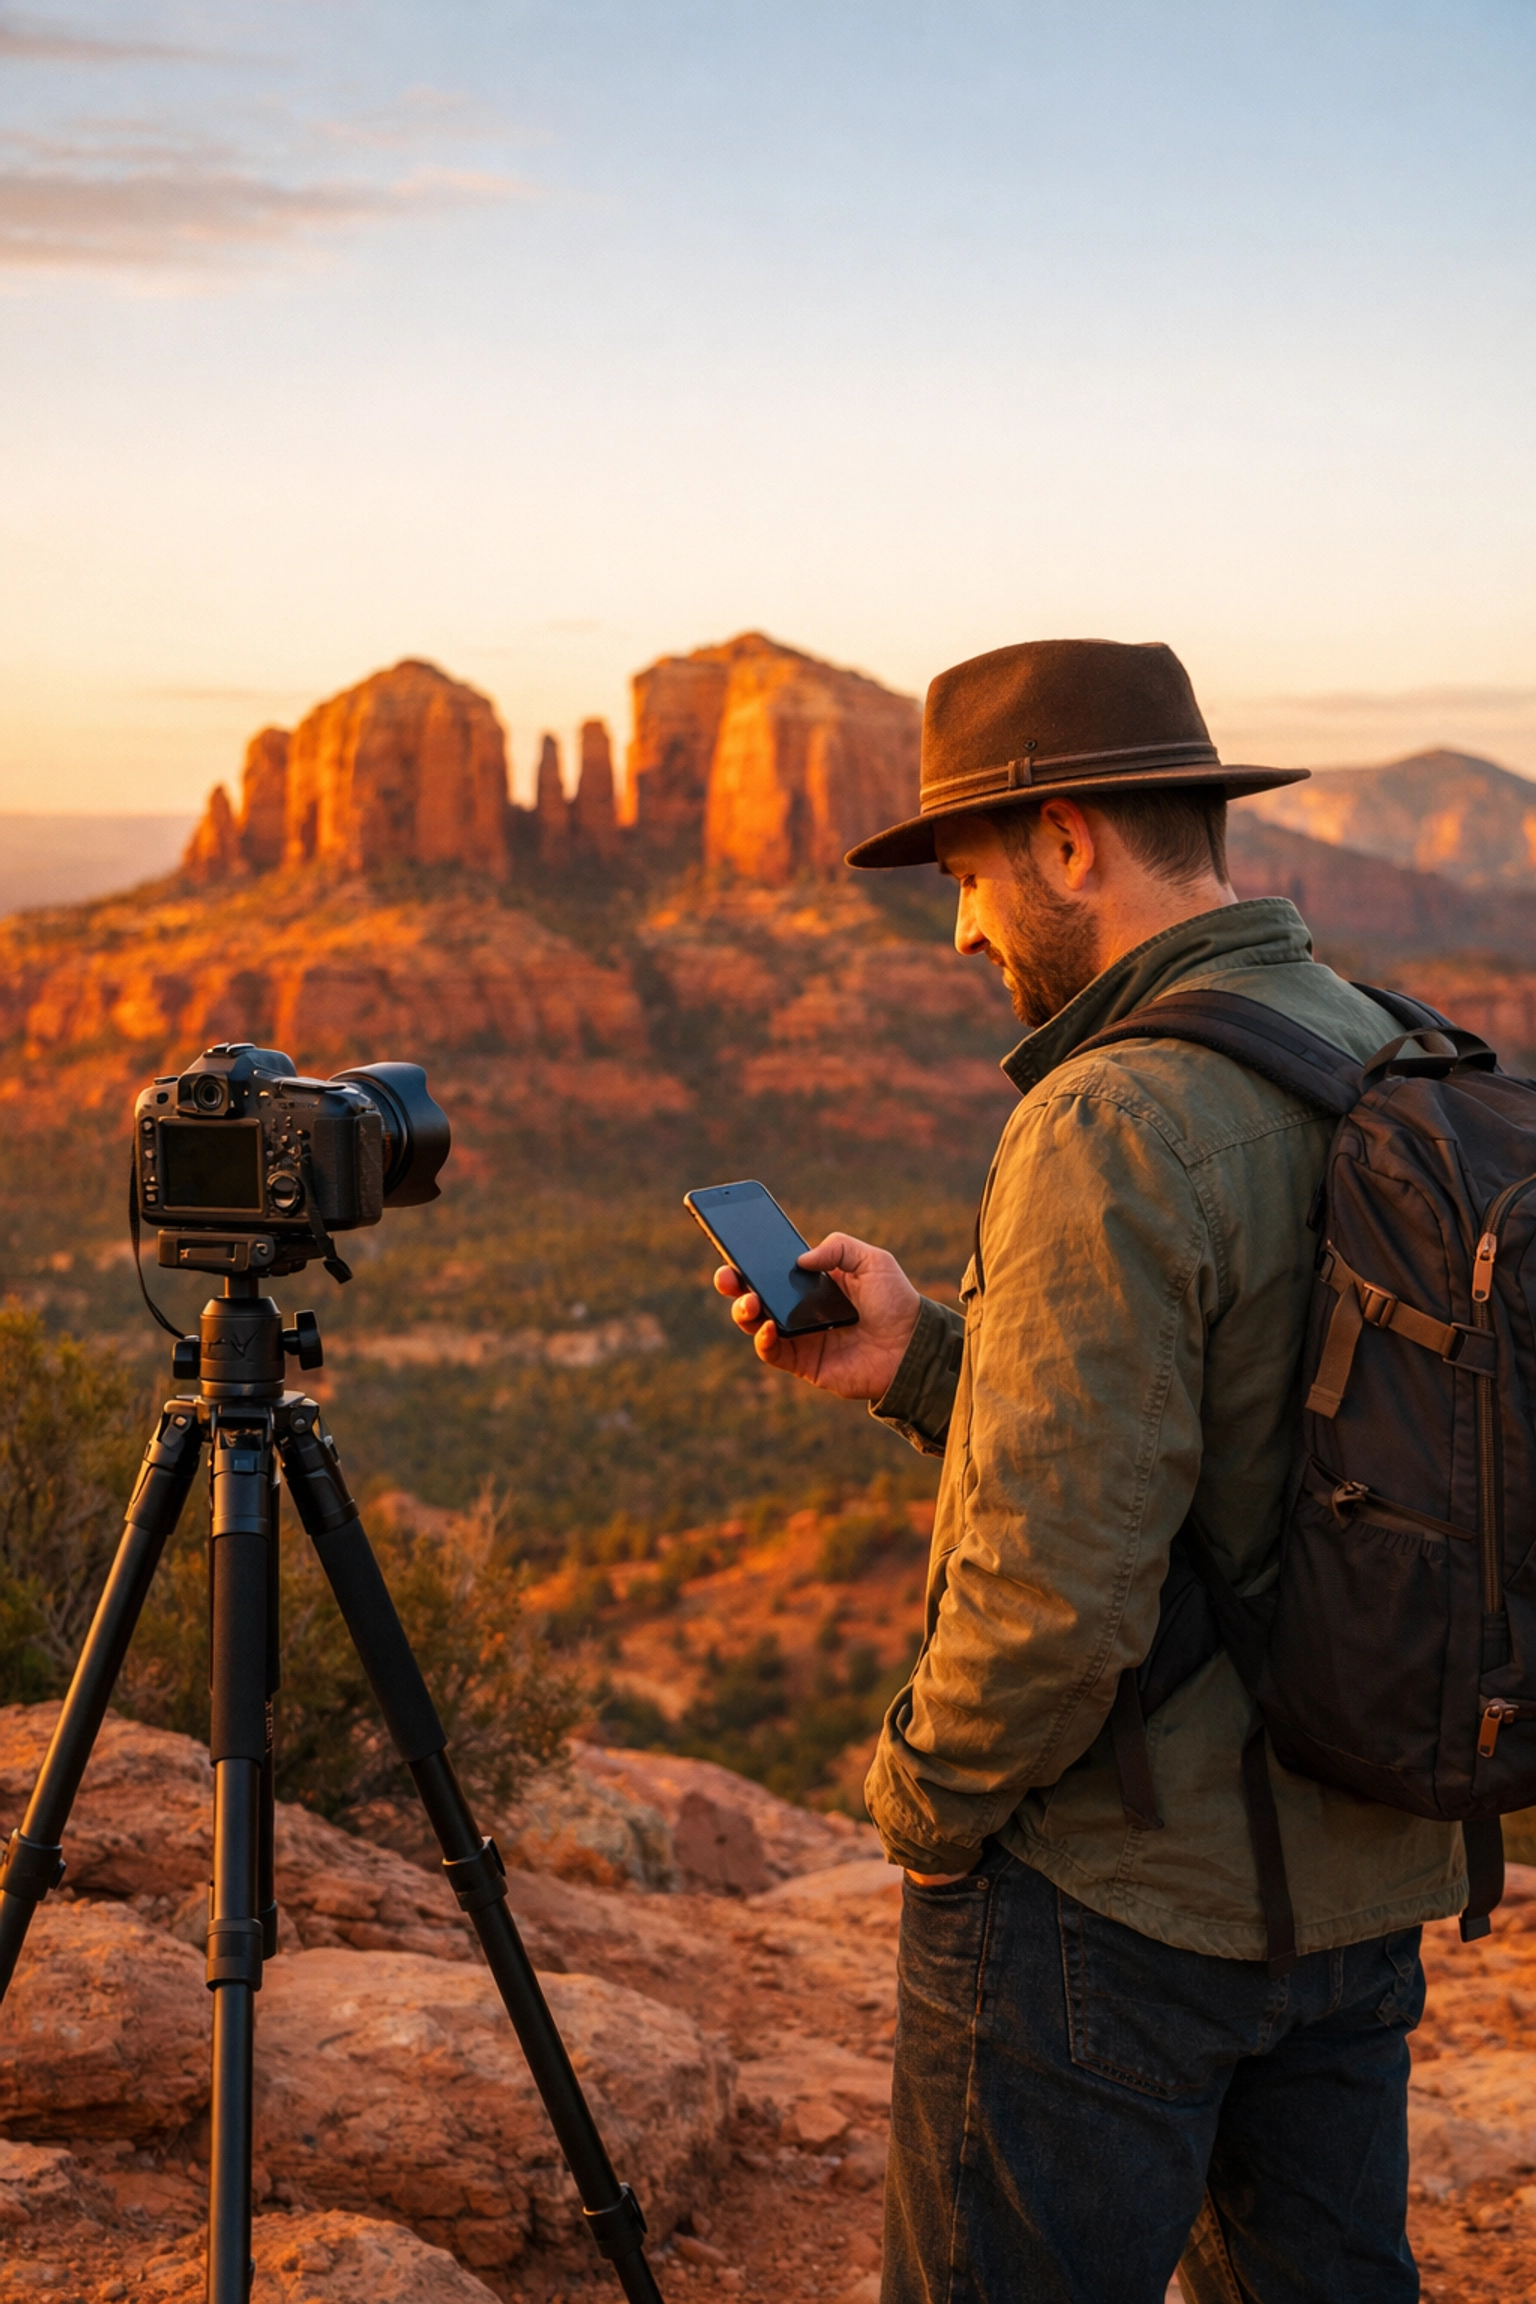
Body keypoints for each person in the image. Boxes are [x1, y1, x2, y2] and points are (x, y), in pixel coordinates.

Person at [712, 639, 1463, 2304]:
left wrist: (923, 1804)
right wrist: (917, 1351)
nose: (962, 928)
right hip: (1361, 1879)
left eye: (971, 878)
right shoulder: (1390, 1047)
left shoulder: (1108, 1118)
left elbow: (1054, 1592)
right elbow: (1247, 1452)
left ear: (1066, 843)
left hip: (1115, 1912)